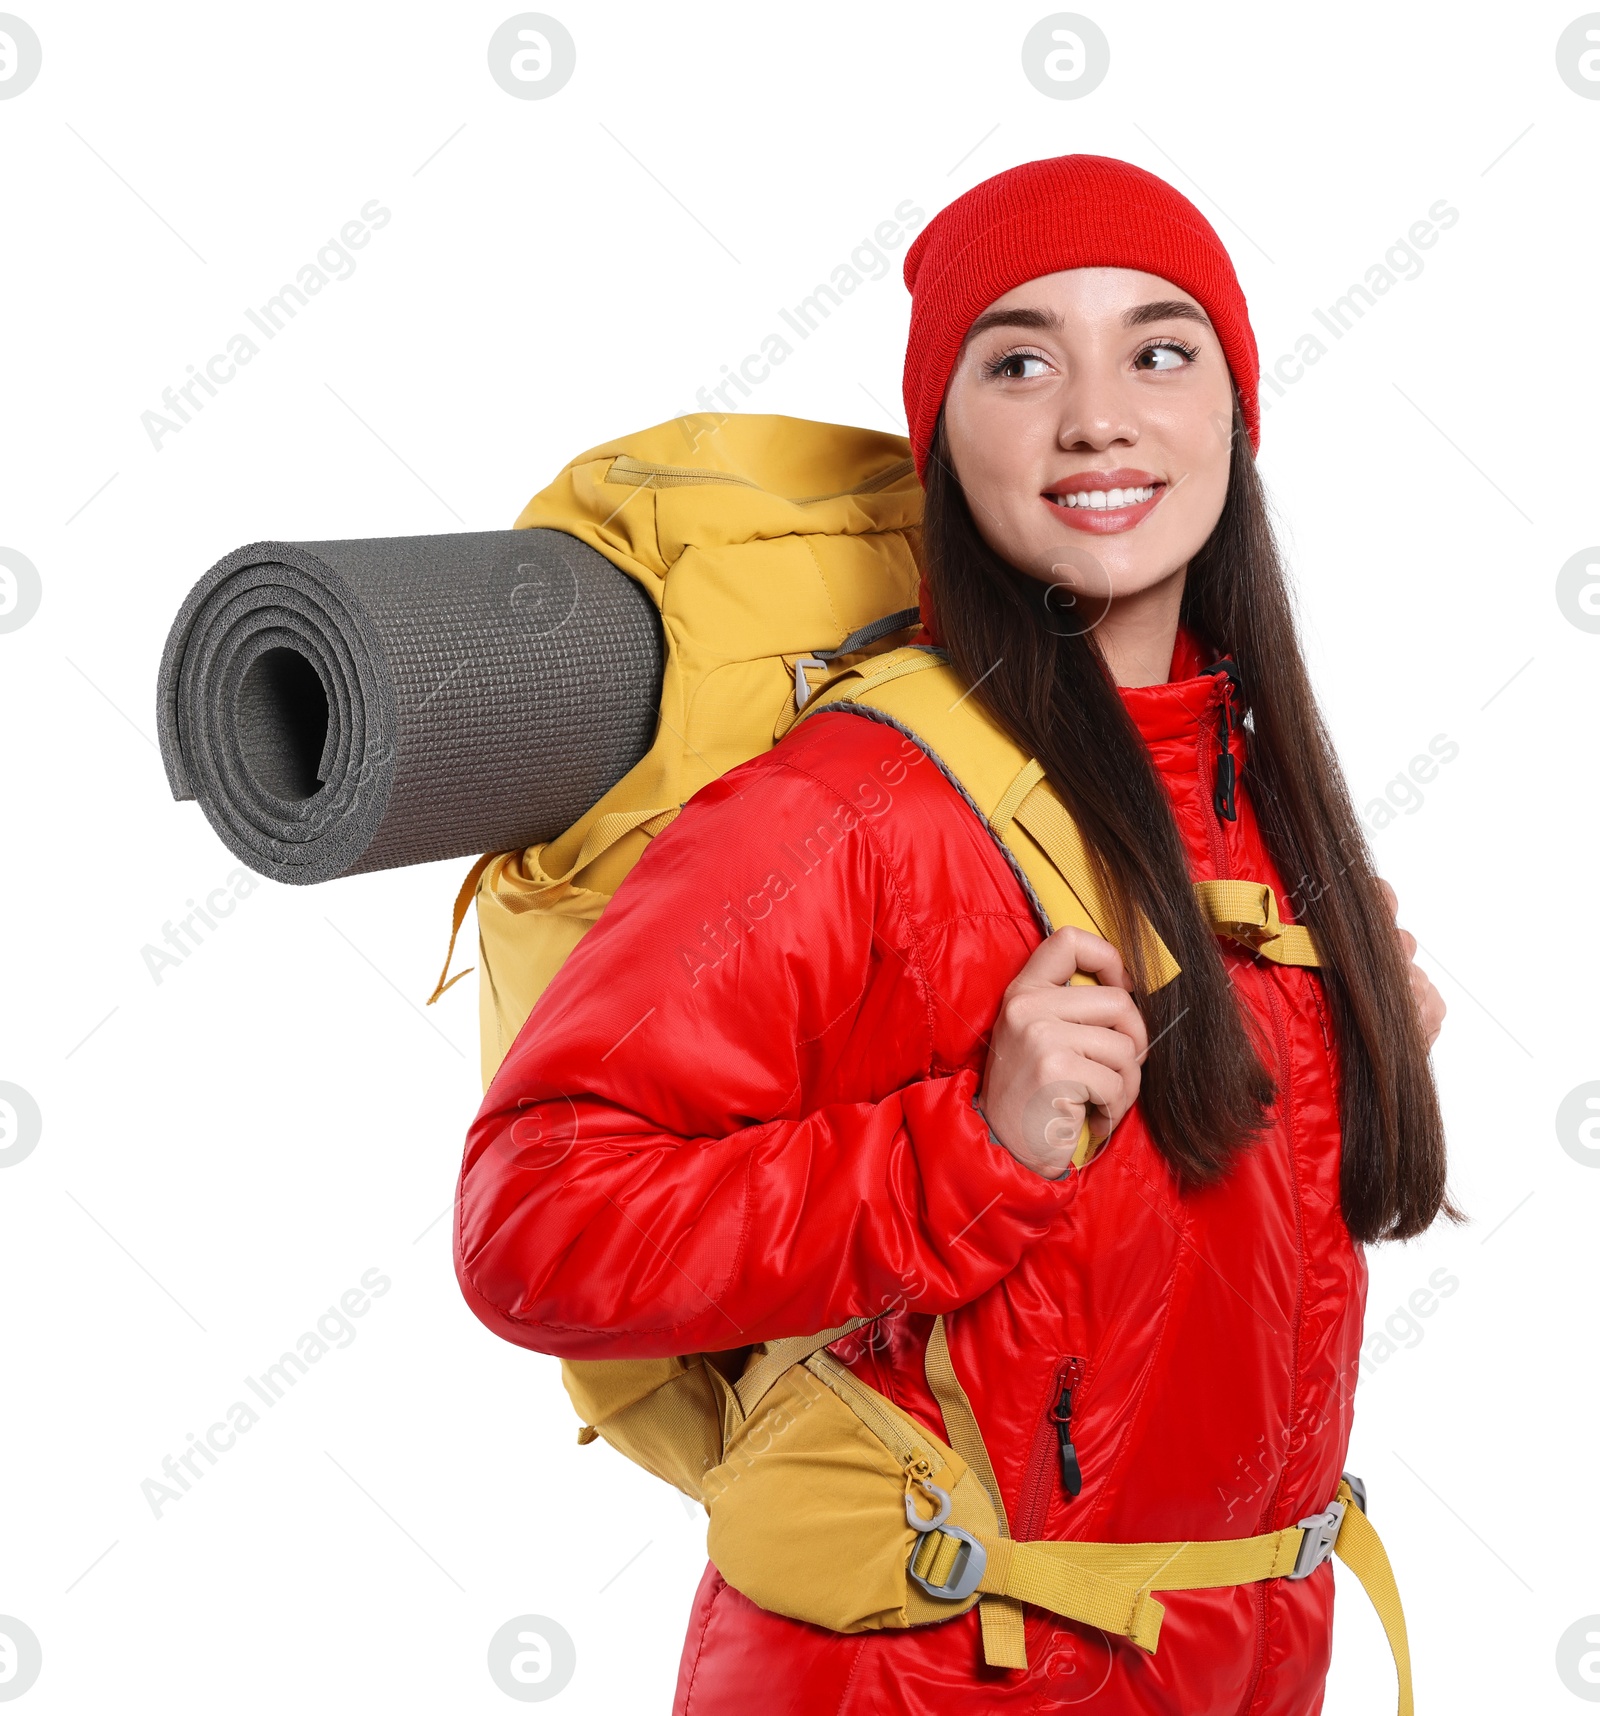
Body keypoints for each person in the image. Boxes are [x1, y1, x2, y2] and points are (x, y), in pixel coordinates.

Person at [454, 153, 1453, 1715]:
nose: (1098, 417)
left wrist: (1364, 1061)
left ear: (1233, 413)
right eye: (1021, 360)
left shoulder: (1253, 793)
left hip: (1247, 1668)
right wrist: (962, 1149)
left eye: (1161, 348)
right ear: (945, 436)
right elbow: (537, 1225)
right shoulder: (852, 806)